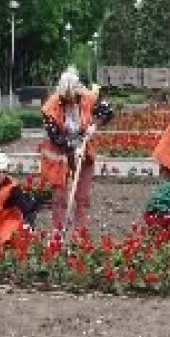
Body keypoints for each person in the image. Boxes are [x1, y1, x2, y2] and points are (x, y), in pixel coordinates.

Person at [39, 66, 114, 233]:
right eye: (67, 99)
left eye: (73, 97)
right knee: (59, 197)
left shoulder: (87, 96)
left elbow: (108, 111)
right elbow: (55, 137)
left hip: (84, 153)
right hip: (58, 156)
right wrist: (73, 148)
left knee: (82, 197)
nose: (71, 101)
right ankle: (58, 231)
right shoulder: (50, 108)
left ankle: (80, 234)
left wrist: (94, 126)